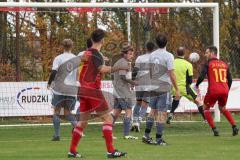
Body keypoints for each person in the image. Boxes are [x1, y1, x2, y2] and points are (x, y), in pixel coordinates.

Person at [68, 29, 127, 158]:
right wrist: (118, 67)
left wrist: (101, 60)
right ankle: (111, 151)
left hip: (83, 90)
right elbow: (102, 69)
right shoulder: (96, 54)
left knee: (82, 122)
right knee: (108, 118)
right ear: (102, 40)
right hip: (93, 90)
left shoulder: (86, 53)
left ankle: (72, 150)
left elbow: (83, 70)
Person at [142, 33, 180, 145]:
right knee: (162, 113)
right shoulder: (169, 56)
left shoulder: (152, 55)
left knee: (152, 111)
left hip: (153, 86)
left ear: (156, 43)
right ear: (166, 43)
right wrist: (177, 89)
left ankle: (146, 135)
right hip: (163, 87)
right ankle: (159, 139)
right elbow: (171, 73)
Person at [195, 46, 238, 136]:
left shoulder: (208, 64)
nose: (205, 54)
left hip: (213, 90)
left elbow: (202, 76)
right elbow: (229, 79)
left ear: (212, 53)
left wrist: (196, 84)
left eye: (207, 53)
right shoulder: (224, 64)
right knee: (222, 108)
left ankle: (214, 130)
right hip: (224, 89)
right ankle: (234, 126)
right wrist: (227, 90)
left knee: (205, 109)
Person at [47, 39, 78, 141]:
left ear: (62, 46)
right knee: (67, 112)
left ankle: (57, 135)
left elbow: (54, 72)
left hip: (60, 88)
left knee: (57, 111)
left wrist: (49, 83)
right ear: (72, 46)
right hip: (71, 89)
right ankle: (78, 129)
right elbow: (77, 74)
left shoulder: (58, 58)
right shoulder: (76, 59)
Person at [166, 47, 205, 124]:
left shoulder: (172, 62)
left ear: (176, 53)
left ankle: (170, 114)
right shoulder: (188, 64)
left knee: (176, 99)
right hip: (185, 88)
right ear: (185, 53)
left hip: (174, 87)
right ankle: (205, 119)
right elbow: (190, 80)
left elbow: (169, 74)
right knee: (198, 102)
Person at [111, 45, 138, 140]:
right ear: (124, 54)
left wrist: (130, 83)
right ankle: (126, 135)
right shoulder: (123, 63)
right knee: (129, 111)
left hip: (118, 90)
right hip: (123, 91)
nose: (132, 55)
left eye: (132, 54)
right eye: (130, 54)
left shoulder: (121, 62)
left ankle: (107, 132)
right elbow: (122, 76)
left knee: (116, 113)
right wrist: (133, 82)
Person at [131, 41, 156, 132]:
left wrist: (132, 81)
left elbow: (135, 70)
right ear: (154, 49)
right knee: (145, 104)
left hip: (139, 83)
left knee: (138, 103)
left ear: (146, 48)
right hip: (149, 84)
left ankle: (134, 121)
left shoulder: (140, 58)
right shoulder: (155, 59)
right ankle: (138, 121)